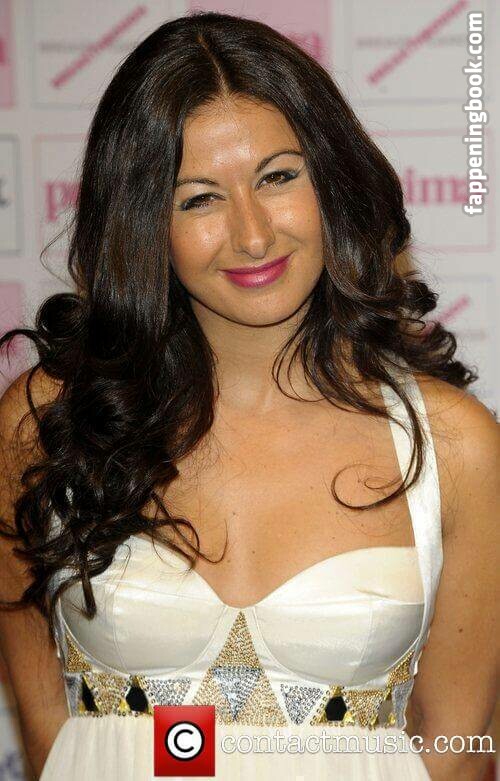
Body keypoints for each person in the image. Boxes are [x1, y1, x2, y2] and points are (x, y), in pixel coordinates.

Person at [0, 10, 498, 781]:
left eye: (278, 177)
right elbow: (47, 729)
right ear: (143, 222)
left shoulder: (455, 446)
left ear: (330, 179)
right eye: (199, 198)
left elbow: (460, 747)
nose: (254, 235)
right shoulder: (44, 423)